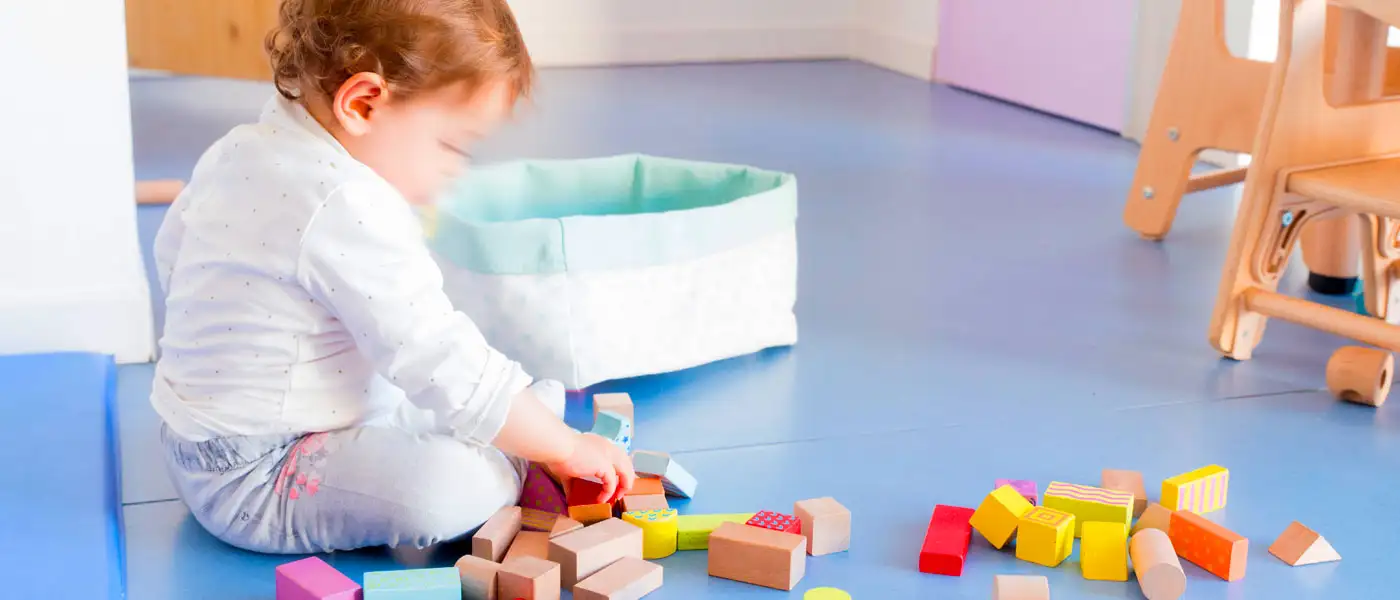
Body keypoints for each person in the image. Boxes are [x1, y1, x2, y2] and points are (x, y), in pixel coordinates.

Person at [149, 0, 635, 555]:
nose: (455, 170)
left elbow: (174, 257)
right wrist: (566, 450)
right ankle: (516, 448)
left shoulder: (241, 146)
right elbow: (432, 351)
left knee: (430, 390)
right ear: (363, 103)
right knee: (449, 489)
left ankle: (513, 422)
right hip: (257, 479)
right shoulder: (344, 202)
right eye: (449, 145)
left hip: (191, 445)